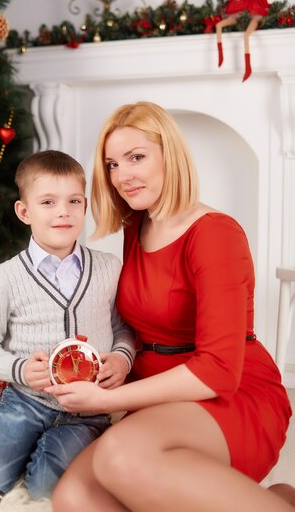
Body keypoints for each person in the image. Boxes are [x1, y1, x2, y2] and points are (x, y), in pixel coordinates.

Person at [46, 101, 295, 512]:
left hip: (230, 393)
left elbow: (218, 370)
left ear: (170, 155)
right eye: (111, 164)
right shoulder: (137, 224)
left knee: (120, 458)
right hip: (159, 391)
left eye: (136, 157)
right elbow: (142, 323)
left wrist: (106, 402)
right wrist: (118, 362)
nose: (123, 176)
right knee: (74, 498)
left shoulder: (215, 235)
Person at [0, 149, 136, 500]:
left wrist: (123, 357)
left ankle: (49, 449)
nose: (63, 211)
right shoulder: (4, 278)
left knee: (50, 491)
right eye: (48, 202)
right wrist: (19, 369)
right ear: (24, 211)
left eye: (73, 201)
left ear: (84, 207)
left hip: (88, 408)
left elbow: (123, 326)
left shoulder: (110, 267)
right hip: (26, 401)